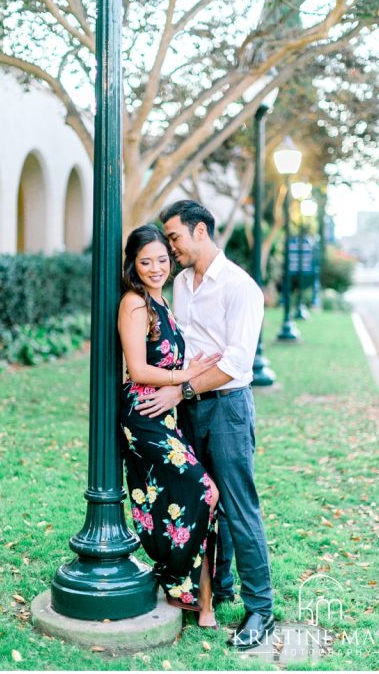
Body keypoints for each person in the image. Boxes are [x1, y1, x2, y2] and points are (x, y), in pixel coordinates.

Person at [134, 200, 276, 649]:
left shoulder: (240, 288)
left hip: (228, 407)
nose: (169, 247)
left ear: (200, 231)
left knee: (238, 506)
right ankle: (220, 584)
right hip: (188, 408)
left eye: (173, 237)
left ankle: (260, 610)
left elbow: (235, 364)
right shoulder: (180, 285)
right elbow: (188, 351)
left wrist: (183, 389)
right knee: (202, 500)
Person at [117, 224, 222, 629]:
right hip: (143, 413)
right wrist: (186, 375)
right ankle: (179, 578)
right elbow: (138, 368)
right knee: (203, 490)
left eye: (162, 259)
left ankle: (198, 598)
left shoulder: (162, 301)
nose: (156, 267)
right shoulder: (135, 303)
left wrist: (188, 373)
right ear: (134, 264)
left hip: (167, 412)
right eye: (146, 262)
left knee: (187, 496)